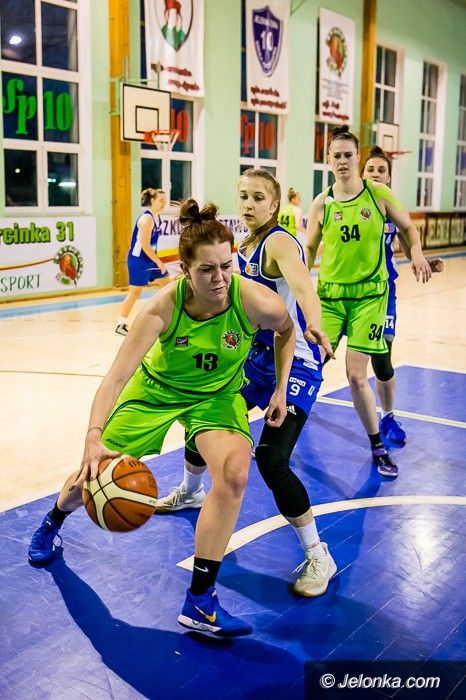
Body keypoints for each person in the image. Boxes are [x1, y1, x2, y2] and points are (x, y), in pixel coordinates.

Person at [28, 199, 296, 638]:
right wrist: (93, 437)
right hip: (155, 392)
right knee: (91, 475)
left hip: (215, 396)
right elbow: (116, 378)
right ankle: (52, 521)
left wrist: (281, 387)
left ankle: (200, 602)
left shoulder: (254, 300)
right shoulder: (161, 308)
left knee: (234, 475)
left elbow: (287, 330)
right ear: (185, 270)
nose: (220, 278)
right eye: (207, 270)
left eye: (226, 266)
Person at [156, 168, 339, 598]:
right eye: (243, 196)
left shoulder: (277, 242)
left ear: (274, 204)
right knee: (204, 414)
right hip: (251, 360)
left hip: (293, 365)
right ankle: (191, 491)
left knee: (272, 460)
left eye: (259, 197)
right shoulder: (244, 244)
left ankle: (318, 554)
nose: (249, 203)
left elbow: (302, 284)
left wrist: (314, 320)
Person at [305, 126, 433, 478]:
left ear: (357, 158)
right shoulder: (322, 202)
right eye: (337, 155)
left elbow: (408, 228)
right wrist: (297, 287)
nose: (343, 161)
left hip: (370, 299)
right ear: (328, 160)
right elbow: (309, 249)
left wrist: (417, 254)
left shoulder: (378, 194)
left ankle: (377, 445)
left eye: (348, 155)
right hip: (330, 298)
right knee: (307, 366)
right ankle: (278, 436)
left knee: (356, 375)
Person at [362, 146, 444, 446]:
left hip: (384, 292)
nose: (375, 174)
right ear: (362, 173)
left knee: (382, 359)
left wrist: (422, 260)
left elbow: (408, 241)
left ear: (389, 177)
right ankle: (293, 410)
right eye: (370, 169)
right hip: (346, 293)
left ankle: (388, 416)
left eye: (381, 170)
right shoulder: (346, 204)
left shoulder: (391, 206)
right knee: (319, 353)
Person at [115, 188, 170, 336]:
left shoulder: (157, 217)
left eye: (165, 200)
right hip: (139, 260)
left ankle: (170, 318)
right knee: (135, 292)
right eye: (161, 200)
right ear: (152, 201)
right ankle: (121, 323)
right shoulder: (147, 219)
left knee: (167, 286)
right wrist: (159, 261)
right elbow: (145, 245)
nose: (164, 203)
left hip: (150, 258)